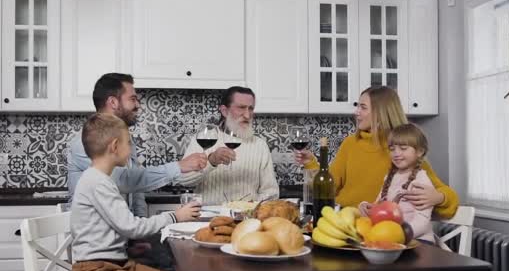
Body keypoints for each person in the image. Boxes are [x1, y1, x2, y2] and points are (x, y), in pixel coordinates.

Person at [71, 113, 201, 271]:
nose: (131, 149)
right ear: (114, 146)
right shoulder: (97, 183)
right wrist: (174, 217)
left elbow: (108, 229)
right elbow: (130, 226)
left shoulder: (102, 180)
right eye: (129, 143)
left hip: (116, 264)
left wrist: (127, 246)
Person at [295, 86, 458, 218]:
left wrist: (439, 197)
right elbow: (327, 187)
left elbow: (447, 195)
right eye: (357, 106)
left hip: (380, 227)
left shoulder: (402, 151)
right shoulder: (350, 144)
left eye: (363, 107)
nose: (356, 112)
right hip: (344, 221)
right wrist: (311, 163)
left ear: (381, 112)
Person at [178, 86, 279, 204]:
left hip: (246, 217)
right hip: (208, 217)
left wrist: (252, 206)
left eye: (251, 108)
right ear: (224, 111)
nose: (247, 115)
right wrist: (211, 162)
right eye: (241, 108)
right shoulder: (202, 139)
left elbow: (271, 193)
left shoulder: (260, 145)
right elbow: (184, 180)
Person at [358, 123, 435, 243]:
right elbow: (380, 207)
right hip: (393, 238)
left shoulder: (421, 180)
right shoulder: (389, 177)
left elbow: (422, 221)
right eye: (392, 149)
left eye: (403, 148)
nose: (396, 153)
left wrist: (399, 235)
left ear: (420, 151)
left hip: (418, 240)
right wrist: (367, 207)